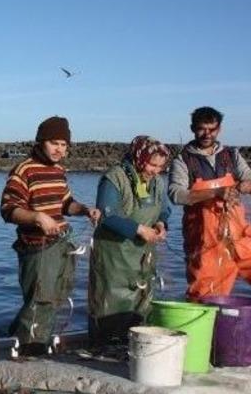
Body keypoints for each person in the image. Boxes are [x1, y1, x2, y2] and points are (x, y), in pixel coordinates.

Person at [167, 106, 251, 312]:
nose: (207, 134)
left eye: (212, 129)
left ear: (219, 129)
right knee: (205, 298)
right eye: (201, 129)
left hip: (241, 238)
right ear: (193, 129)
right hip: (207, 244)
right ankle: (206, 336)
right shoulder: (183, 161)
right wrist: (216, 193)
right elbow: (176, 194)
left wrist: (248, 186)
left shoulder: (232, 156)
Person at [0, 116, 100, 356]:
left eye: (64, 145)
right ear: (41, 142)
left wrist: (85, 209)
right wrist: (37, 218)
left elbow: (65, 203)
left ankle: (23, 339)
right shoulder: (23, 170)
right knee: (40, 301)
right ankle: (31, 352)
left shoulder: (58, 170)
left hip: (61, 245)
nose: (59, 149)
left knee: (56, 298)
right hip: (36, 248)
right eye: (54, 143)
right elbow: (8, 209)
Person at [88, 135, 171, 347]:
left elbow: (164, 209)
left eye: (160, 167)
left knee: (140, 307)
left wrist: (161, 224)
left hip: (143, 257)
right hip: (113, 258)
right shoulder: (114, 178)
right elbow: (107, 214)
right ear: (139, 158)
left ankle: (133, 350)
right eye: (152, 165)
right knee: (110, 307)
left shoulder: (157, 183)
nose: (155, 171)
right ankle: (103, 348)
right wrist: (139, 229)